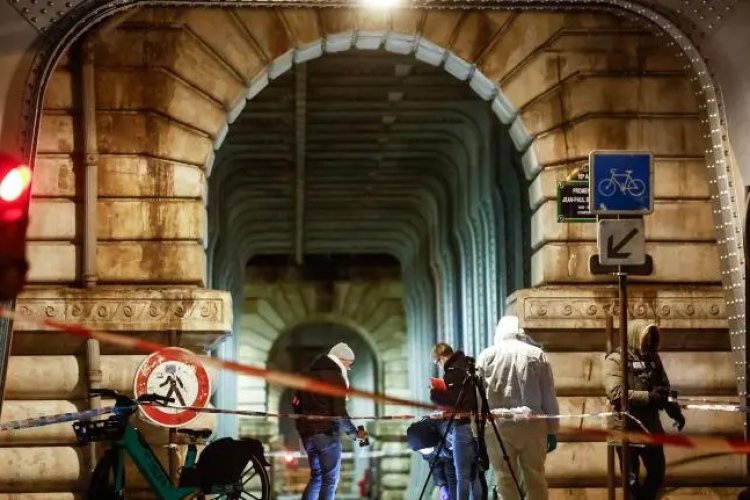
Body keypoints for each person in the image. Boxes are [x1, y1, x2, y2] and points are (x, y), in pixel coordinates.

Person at [476, 315, 559, 500]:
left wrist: (477, 432)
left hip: (498, 425)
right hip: (533, 423)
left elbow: (478, 398)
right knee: (535, 477)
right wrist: (553, 429)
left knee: (505, 479)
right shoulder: (537, 354)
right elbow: (548, 394)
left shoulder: (486, 356)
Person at [604, 319, 685, 500]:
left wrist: (675, 411)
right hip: (626, 427)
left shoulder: (653, 358)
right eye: (645, 337)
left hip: (650, 427)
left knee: (657, 472)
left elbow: (664, 389)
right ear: (635, 336)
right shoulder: (616, 359)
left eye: (651, 337)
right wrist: (648, 396)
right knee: (631, 480)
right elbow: (615, 393)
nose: (648, 341)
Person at [293, 342, 369, 500]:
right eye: (349, 363)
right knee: (330, 480)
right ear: (340, 359)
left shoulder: (305, 376)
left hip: (308, 436)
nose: (350, 368)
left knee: (317, 477)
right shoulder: (336, 378)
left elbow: (296, 406)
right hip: (326, 435)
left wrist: (303, 431)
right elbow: (339, 412)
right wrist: (355, 434)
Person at [430, 343, 484, 500]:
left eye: (437, 362)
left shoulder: (452, 372)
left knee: (462, 474)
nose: (439, 366)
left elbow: (455, 401)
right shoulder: (468, 364)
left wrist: (435, 394)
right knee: (475, 473)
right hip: (477, 424)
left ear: (441, 358)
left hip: (462, 427)